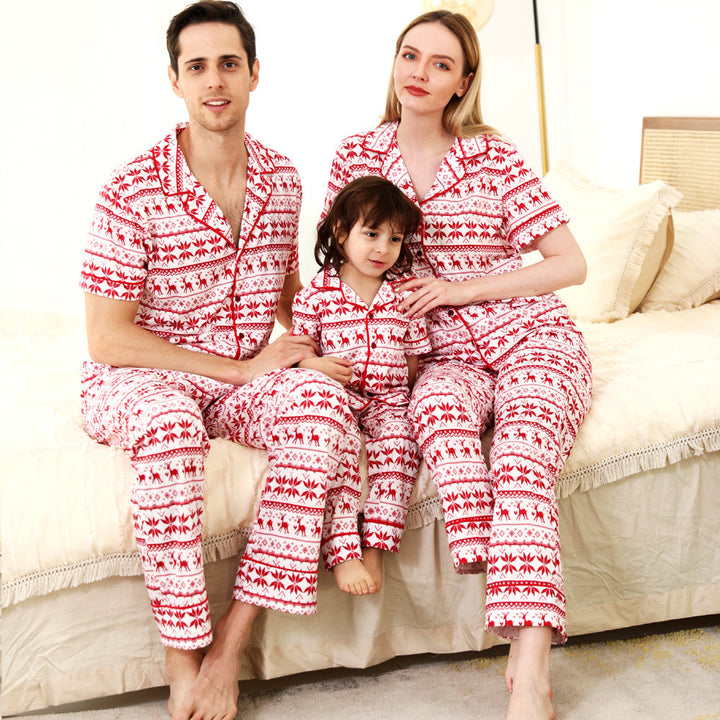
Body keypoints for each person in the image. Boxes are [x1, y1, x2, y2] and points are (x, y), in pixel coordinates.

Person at [79, 3, 363, 719]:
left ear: (254, 74)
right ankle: (183, 656)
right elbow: (106, 338)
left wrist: (319, 349)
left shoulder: (282, 179)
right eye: (197, 66)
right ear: (175, 80)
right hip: (141, 377)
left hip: (243, 375)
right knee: (172, 428)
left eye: (229, 64)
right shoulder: (130, 188)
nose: (215, 81)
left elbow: (287, 291)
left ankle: (230, 647)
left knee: (324, 408)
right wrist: (236, 370)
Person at [323, 10, 592, 720]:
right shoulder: (356, 155)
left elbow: (570, 264)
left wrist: (462, 288)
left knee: (522, 455)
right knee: (436, 413)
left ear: (463, 82)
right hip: (439, 354)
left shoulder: (493, 156)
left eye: (440, 64)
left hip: (530, 336)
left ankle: (530, 667)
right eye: (410, 55)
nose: (419, 73)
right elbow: (338, 263)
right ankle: (479, 545)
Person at [292, 176, 432, 595]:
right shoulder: (316, 295)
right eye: (372, 234)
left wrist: (405, 398)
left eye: (394, 239)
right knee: (340, 453)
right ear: (340, 232)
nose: (383, 248)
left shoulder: (404, 296)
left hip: (390, 400)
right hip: (340, 401)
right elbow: (299, 352)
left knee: (400, 449)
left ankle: (376, 547)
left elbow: (413, 358)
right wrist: (315, 365)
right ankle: (342, 552)